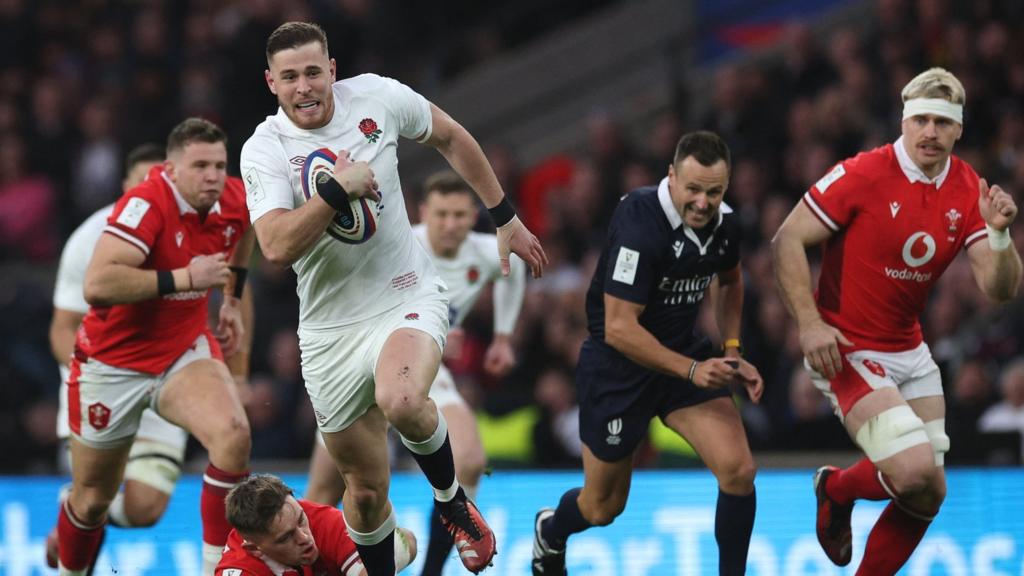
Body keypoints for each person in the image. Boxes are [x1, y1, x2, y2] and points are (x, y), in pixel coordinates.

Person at [240, 22, 546, 576]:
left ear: (332, 69)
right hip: (329, 331)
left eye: (314, 72)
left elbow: (451, 135)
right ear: (271, 83)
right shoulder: (264, 150)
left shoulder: (377, 97)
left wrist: (504, 217)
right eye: (290, 77)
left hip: (404, 294)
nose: (305, 87)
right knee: (363, 491)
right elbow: (276, 246)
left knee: (401, 399)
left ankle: (453, 502)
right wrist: (336, 190)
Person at [771, 67, 1022, 574]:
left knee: (929, 494)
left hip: (909, 350)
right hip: (845, 345)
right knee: (912, 471)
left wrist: (998, 236)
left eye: (942, 122)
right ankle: (837, 489)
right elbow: (787, 240)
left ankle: (836, 492)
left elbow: (1001, 291)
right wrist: (810, 323)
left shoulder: (968, 186)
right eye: (921, 120)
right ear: (905, 123)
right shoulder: (863, 172)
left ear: (959, 129)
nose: (930, 132)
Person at [531, 131, 763, 576]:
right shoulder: (640, 222)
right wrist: (694, 370)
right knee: (602, 507)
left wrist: (731, 350)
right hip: (619, 368)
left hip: (682, 359)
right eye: (693, 189)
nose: (702, 202)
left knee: (738, 470)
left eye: (714, 192)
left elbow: (730, 279)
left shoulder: (726, 223)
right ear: (672, 176)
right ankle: (552, 530)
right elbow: (619, 328)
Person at [55, 117, 257, 576]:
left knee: (233, 435)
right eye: (200, 165)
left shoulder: (232, 197)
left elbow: (243, 234)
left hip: (182, 351)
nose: (212, 176)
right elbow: (99, 282)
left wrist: (231, 300)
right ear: (171, 168)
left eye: (219, 165)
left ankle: (217, 568)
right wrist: (186, 278)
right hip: (112, 364)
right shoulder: (146, 204)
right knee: (91, 503)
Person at [303, 170, 526, 575]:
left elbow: (513, 267)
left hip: (421, 373)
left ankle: (434, 568)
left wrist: (503, 337)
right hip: (360, 366)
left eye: (460, 215)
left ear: (474, 215)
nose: (451, 224)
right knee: (325, 492)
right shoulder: (397, 242)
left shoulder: (486, 250)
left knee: (471, 460)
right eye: (441, 214)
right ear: (423, 212)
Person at [217, 474, 417, 576]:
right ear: (255, 549)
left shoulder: (321, 520)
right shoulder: (241, 569)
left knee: (403, 542)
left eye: (301, 520)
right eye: (286, 538)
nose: (304, 538)